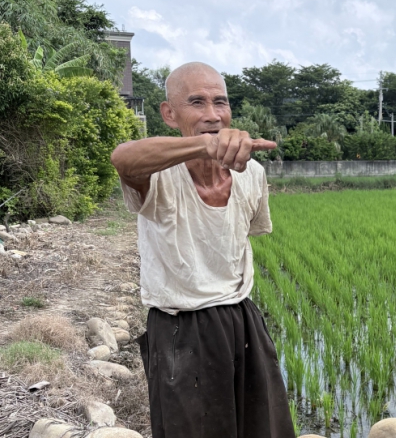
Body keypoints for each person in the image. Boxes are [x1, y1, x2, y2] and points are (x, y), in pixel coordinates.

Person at [110, 62, 295, 438]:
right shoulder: (158, 175)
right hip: (180, 326)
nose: (212, 114)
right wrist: (206, 145)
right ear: (169, 114)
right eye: (197, 102)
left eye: (220, 102)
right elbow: (123, 157)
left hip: (242, 319)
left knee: (263, 427)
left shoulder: (253, 175)